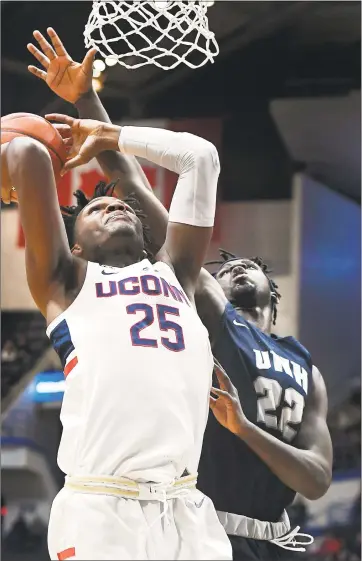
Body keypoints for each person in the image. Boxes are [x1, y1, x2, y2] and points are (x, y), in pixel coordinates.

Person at [27, 28, 333, 561]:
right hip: (122, 500)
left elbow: (317, 477)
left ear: (271, 296)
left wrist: (106, 130)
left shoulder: (304, 365)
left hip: (201, 514)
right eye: (226, 263)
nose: (234, 266)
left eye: (245, 266)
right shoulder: (190, 292)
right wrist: (95, 116)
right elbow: (136, 185)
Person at [2, 59, 232, 561]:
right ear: (75, 246)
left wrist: (109, 132)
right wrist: (11, 156)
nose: (115, 206)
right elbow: (24, 151)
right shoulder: (66, 283)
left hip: (186, 507)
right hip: (100, 508)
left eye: (120, 205)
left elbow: (202, 159)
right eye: (95, 210)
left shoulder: (179, 275)